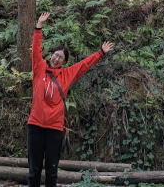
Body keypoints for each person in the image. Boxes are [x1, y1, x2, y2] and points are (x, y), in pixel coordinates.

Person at [27, 12, 114, 187]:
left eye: (61, 57)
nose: (57, 58)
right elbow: (36, 49)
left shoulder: (67, 74)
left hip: (54, 128)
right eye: (55, 55)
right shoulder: (39, 67)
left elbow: (84, 65)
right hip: (35, 125)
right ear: (51, 55)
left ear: (64, 62)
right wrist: (39, 26)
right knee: (34, 168)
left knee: (52, 169)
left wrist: (101, 53)